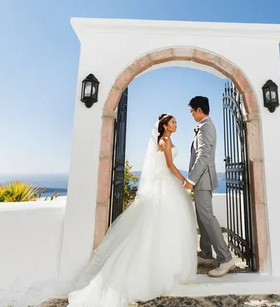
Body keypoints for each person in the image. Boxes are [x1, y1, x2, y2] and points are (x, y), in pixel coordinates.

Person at [68, 114, 197, 307]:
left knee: (154, 227)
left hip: (159, 184)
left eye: (176, 122)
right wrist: (184, 181)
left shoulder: (160, 141)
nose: (175, 125)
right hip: (165, 185)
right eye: (173, 122)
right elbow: (170, 165)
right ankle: (163, 270)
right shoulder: (166, 141)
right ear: (164, 125)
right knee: (168, 226)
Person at [184, 96, 236, 277]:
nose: (191, 114)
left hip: (202, 180)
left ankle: (226, 258)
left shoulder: (206, 127)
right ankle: (206, 255)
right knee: (201, 218)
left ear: (199, 110)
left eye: (191, 111)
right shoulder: (203, 127)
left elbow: (203, 156)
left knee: (208, 218)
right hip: (202, 180)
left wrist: (191, 179)